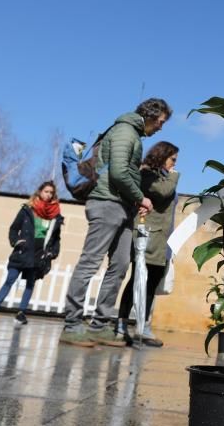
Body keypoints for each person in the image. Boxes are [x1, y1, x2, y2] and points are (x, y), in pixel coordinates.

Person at [60, 97, 172, 347]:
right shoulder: (125, 131)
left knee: (120, 265)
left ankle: (100, 325)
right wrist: (140, 196)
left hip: (123, 207)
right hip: (107, 202)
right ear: (151, 115)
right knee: (90, 262)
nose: (161, 128)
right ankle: (72, 324)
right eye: (161, 122)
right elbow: (119, 172)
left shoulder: (133, 136)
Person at [0, 181, 63, 325]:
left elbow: (56, 238)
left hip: (39, 253)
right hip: (23, 250)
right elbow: (14, 228)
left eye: (51, 193)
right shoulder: (27, 210)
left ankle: (21, 313)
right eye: (46, 191)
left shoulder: (55, 215)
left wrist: (52, 252)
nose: (48, 194)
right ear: (40, 191)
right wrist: (16, 241)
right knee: (10, 279)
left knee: (30, 283)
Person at [118, 141, 179, 347]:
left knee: (151, 283)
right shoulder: (147, 174)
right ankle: (121, 324)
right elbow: (162, 192)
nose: (175, 165)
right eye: (172, 160)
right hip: (147, 235)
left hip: (161, 238)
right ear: (162, 156)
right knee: (137, 279)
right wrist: (174, 175)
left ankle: (142, 327)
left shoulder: (162, 176)